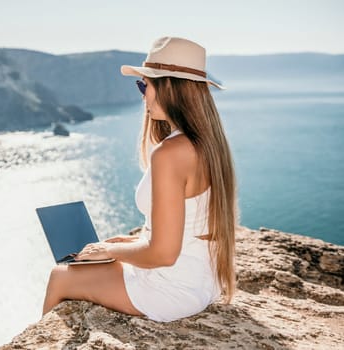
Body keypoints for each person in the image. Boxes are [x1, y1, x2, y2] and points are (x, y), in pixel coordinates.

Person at [42, 36, 238, 322]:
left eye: (144, 85)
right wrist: (133, 241)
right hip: (203, 281)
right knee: (83, 263)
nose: (142, 95)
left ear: (168, 87)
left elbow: (163, 254)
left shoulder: (170, 153)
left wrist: (110, 250)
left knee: (61, 275)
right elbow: (191, 225)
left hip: (170, 289)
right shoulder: (208, 143)